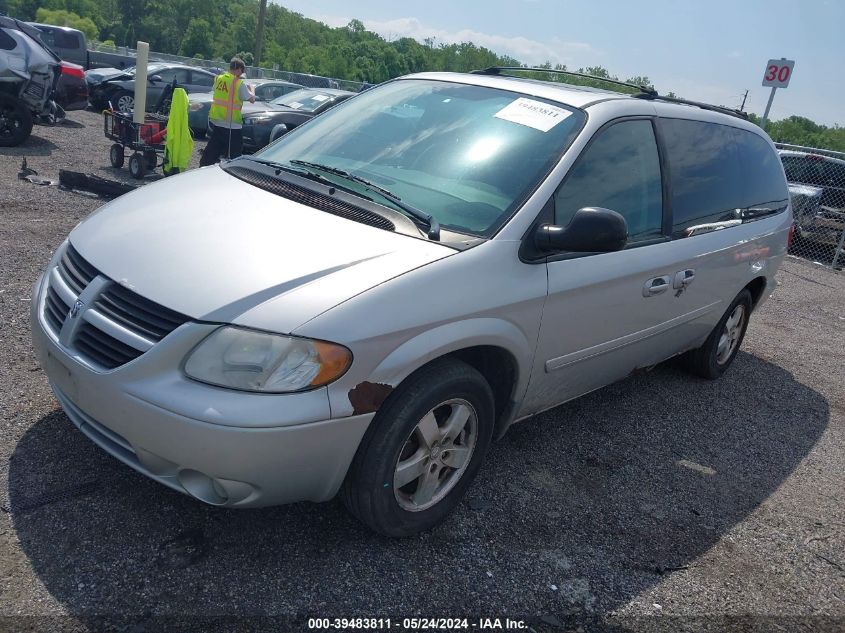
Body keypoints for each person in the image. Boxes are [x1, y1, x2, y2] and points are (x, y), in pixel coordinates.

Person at [199, 57, 255, 166]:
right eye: (242, 71)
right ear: (238, 69)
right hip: (232, 124)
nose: (242, 74)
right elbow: (252, 99)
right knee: (235, 154)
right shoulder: (238, 83)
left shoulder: (219, 78)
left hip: (218, 121)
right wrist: (252, 88)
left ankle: (202, 168)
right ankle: (235, 172)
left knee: (212, 150)